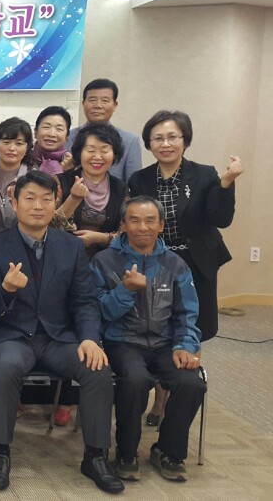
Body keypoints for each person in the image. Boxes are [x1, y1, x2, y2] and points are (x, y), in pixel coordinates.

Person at [0, 171, 122, 494]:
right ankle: (0, 452)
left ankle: (95, 456)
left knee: (97, 367)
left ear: (56, 203)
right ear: (15, 203)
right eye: (29, 198)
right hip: (13, 335)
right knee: (6, 366)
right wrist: (5, 290)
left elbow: (84, 301)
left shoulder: (71, 246)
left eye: (46, 199)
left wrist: (90, 339)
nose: (38, 206)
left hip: (58, 337)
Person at [128, 110, 242, 424]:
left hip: (196, 263)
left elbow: (221, 219)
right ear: (149, 143)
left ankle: (173, 403)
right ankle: (158, 400)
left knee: (192, 328)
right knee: (158, 328)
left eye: (172, 137)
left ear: (185, 140)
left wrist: (227, 182)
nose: (165, 144)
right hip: (157, 263)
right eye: (158, 138)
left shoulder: (204, 175)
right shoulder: (140, 179)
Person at [91, 196, 206, 483]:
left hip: (166, 343)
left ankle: (168, 450)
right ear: (122, 225)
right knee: (135, 380)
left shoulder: (176, 264)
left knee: (191, 383)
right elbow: (100, 311)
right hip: (122, 341)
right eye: (134, 220)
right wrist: (126, 290)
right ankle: (127, 451)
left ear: (161, 225)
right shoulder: (104, 261)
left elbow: (187, 313)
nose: (143, 227)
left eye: (150, 220)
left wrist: (185, 346)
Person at [56, 122, 128, 257]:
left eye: (104, 151)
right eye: (90, 150)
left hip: (108, 262)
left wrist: (101, 238)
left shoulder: (121, 188)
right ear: (79, 153)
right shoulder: (60, 182)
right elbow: (47, 225)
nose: (97, 157)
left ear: (114, 154)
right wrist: (73, 199)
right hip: (63, 258)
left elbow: (127, 234)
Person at [66, 79, 142, 182]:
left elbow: (134, 183)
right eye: (92, 100)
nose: (98, 106)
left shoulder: (129, 141)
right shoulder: (67, 137)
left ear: (115, 105)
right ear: (83, 103)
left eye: (105, 101)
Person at [0, 117, 34, 234]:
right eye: (6, 142)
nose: (12, 148)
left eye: (19, 143)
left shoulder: (34, 179)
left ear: (27, 147)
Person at [32, 106, 74, 175]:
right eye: (46, 127)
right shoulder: (23, 159)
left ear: (67, 137)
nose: (52, 134)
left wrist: (68, 173)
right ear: (35, 132)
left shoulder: (72, 164)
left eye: (59, 129)